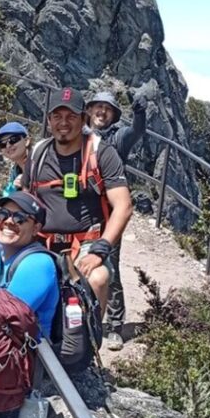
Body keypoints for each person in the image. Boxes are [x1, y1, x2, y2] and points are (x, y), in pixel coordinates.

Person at [21, 86, 132, 313]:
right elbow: (25, 198)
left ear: (83, 119)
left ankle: (90, 342)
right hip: (42, 241)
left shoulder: (101, 152)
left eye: (71, 116)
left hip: (85, 243)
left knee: (98, 278)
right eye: (57, 116)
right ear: (49, 120)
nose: (64, 122)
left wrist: (101, 249)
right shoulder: (38, 152)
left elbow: (124, 205)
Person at [85, 90, 146, 351]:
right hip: (81, 212)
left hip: (110, 214)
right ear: (89, 111)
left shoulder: (118, 139)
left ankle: (114, 326)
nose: (101, 111)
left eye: (107, 109)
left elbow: (136, 131)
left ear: (113, 115)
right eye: (97, 107)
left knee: (110, 267)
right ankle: (83, 318)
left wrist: (140, 113)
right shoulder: (80, 136)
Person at [0, 191, 60, 336]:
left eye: (20, 218)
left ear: (36, 228)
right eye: (3, 214)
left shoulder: (38, 264)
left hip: (24, 353)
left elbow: (5, 320)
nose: (9, 221)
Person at [0, 120, 31, 197]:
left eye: (13, 140)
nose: (8, 146)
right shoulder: (15, 170)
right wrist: (14, 187)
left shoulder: (39, 164)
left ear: (27, 141)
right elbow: (6, 197)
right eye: (2, 144)